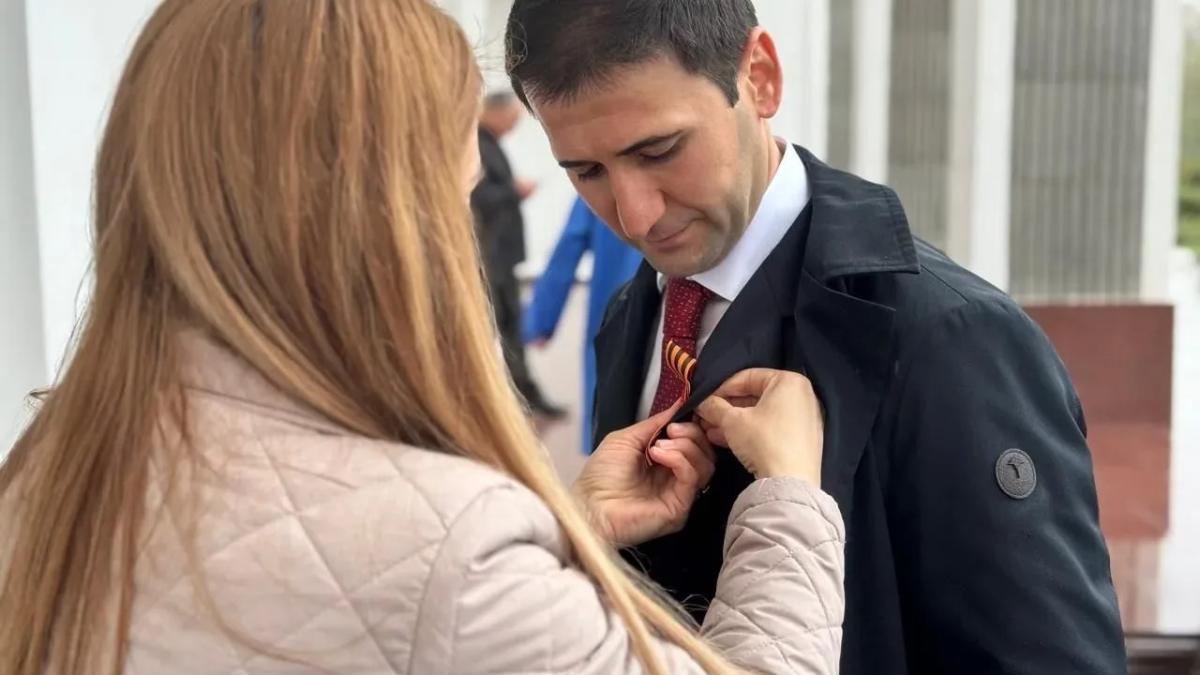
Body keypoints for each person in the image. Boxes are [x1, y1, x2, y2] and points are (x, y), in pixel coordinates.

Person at [0, 2, 845, 674]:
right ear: (383, 223)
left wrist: (571, 527)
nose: (631, 215)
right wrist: (789, 501)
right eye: (457, 197)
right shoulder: (453, 547)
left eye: (659, 149)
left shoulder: (50, 468)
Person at [504, 0, 1127, 673]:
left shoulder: (950, 335)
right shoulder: (633, 309)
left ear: (760, 77)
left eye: (659, 151)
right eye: (586, 172)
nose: (634, 215)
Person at [472, 90, 565, 420]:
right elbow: (479, 197)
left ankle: (522, 394)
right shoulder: (476, 144)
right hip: (490, 257)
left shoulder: (489, 143)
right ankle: (509, 400)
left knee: (510, 326)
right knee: (500, 327)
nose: (513, 127)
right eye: (511, 120)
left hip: (500, 256)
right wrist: (514, 190)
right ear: (494, 112)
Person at [523, 197, 643, 453]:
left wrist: (541, 320)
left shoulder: (597, 184)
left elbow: (569, 246)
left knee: (608, 413)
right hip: (670, 311)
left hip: (613, 311)